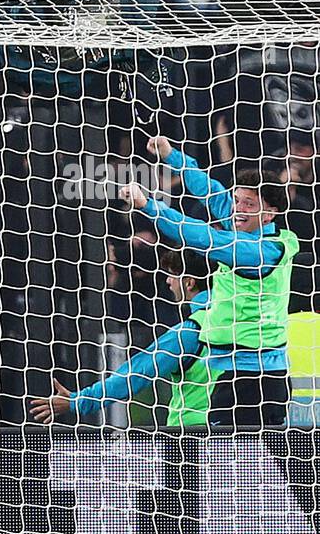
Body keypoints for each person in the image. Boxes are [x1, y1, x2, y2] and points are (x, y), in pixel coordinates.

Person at [120, 135, 296, 427]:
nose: (237, 208)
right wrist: (172, 156)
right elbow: (212, 192)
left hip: (253, 379)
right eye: (237, 200)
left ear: (270, 214)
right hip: (242, 372)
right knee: (266, 462)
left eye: (248, 204)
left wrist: (149, 206)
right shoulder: (247, 228)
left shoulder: (259, 252)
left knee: (235, 462)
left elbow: (203, 237)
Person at [30, 249, 220, 427]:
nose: (168, 281)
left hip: (190, 435)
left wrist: (78, 401)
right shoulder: (241, 323)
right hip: (236, 434)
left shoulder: (190, 332)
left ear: (189, 282)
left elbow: (136, 373)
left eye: (172, 275)